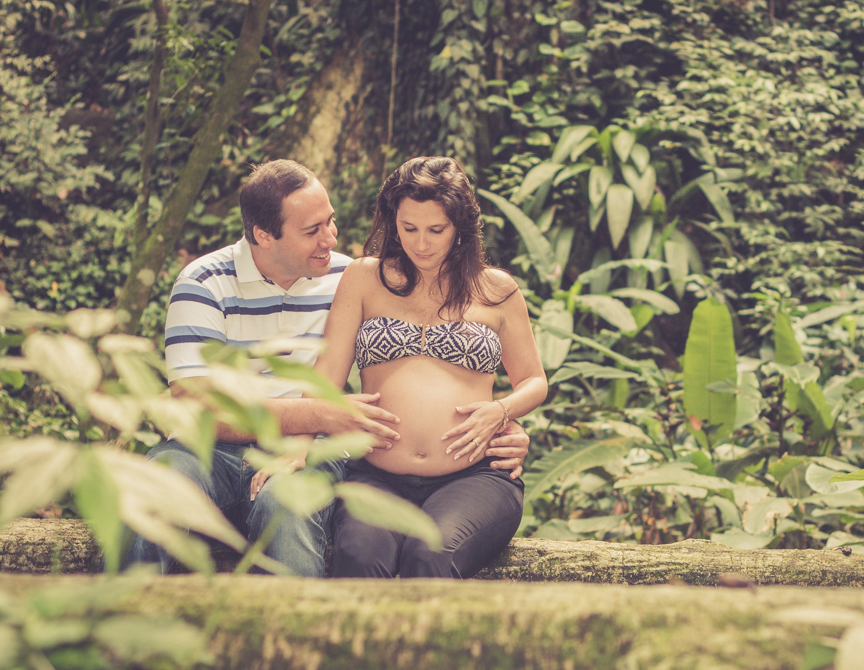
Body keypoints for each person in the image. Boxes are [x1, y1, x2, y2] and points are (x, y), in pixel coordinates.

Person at [125, 159, 531, 577]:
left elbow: (492, 369)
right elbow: (195, 408)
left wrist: (505, 418)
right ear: (264, 236)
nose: (331, 238)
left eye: (330, 222)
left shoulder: (348, 276)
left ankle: (297, 635)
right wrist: (318, 414)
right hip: (210, 449)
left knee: (288, 502)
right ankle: (116, 626)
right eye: (312, 230)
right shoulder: (205, 283)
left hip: (310, 455)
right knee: (156, 484)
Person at [315, 156, 548, 579]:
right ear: (392, 223)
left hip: (475, 477)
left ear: (459, 226)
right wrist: (338, 411)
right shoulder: (364, 278)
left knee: (430, 556)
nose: (421, 244)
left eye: (435, 230)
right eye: (409, 228)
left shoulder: (496, 290)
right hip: (375, 474)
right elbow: (323, 381)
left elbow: (534, 380)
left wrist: (502, 411)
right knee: (359, 560)